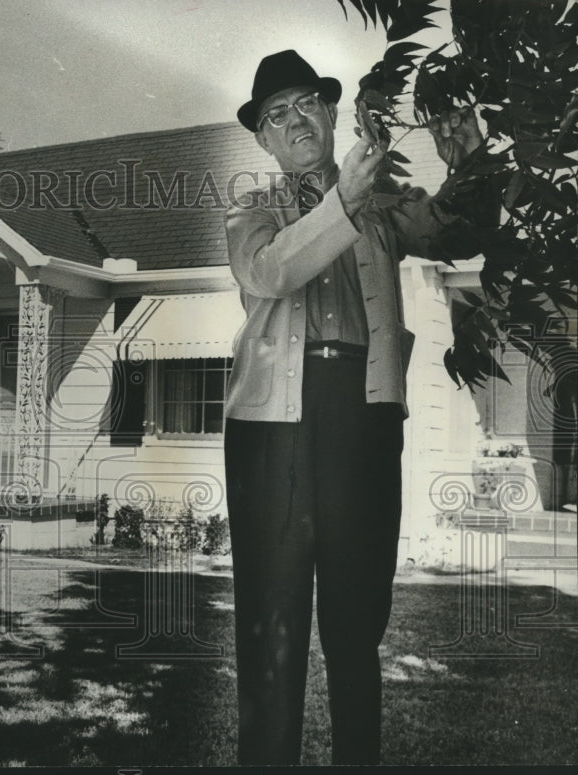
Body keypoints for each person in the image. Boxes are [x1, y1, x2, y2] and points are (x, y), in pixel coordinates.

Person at [223, 49, 484, 765]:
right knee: (271, 627)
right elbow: (270, 271)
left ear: (333, 113)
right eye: (277, 114)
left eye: (308, 101)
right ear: (264, 139)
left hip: (363, 423)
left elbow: (453, 231)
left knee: (355, 622)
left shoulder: (383, 209)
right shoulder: (251, 212)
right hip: (271, 433)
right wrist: (341, 205)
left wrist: (468, 162)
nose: (296, 119)